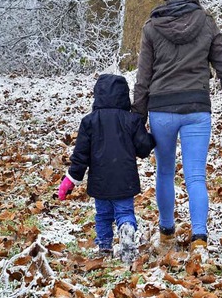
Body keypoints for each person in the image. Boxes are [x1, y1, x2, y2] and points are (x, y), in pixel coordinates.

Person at [132, 0, 222, 251]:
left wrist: (138, 116)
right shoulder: (208, 24)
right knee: (195, 175)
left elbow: (143, 78)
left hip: (161, 109)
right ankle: (199, 239)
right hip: (196, 108)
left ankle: (166, 233)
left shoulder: (152, 28)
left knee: (164, 172)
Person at [58, 74, 155, 262]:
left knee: (102, 215)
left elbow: (81, 155)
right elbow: (143, 148)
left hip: (100, 181)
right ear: (124, 95)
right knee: (125, 212)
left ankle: (104, 247)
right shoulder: (131, 120)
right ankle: (126, 229)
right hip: (125, 179)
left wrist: (71, 179)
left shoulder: (89, 122)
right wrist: (152, 137)